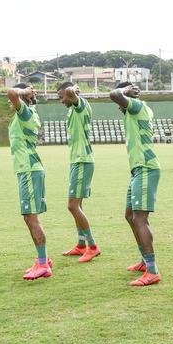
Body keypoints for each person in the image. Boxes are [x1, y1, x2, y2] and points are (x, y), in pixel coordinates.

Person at [109, 81, 162, 286]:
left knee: (140, 218)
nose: (118, 107)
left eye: (122, 102)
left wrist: (125, 92)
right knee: (130, 215)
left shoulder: (137, 106)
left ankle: (152, 270)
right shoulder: (135, 111)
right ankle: (144, 260)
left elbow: (114, 94)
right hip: (139, 169)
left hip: (146, 167)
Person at [8, 84, 51, 279]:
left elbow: (11, 93)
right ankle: (43, 260)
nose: (9, 101)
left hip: (29, 170)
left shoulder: (25, 112)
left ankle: (43, 264)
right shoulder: (25, 113)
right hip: (27, 170)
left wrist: (23, 92)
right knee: (29, 217)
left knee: (31, 217)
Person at [57, 82, 101, 262]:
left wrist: (72, 90)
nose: (61, 101)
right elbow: (68, 93)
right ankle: (81, 244)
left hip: (83, 160)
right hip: (77, 161)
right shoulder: (72, 110)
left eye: (61, 97)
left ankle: (93, 246)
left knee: (72, 206)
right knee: (77, 206)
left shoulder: (81, 105)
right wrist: (69, 93)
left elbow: (69, 91)